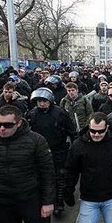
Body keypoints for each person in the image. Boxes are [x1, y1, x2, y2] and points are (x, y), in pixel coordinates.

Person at [27, 87, 77, 216]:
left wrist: (75, 147)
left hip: (59, 149)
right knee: (43, 177)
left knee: (60, 177)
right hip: (40, 152)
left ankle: (58, 202)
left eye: (44, 100)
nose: (42, 103)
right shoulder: (32, 115)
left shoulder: (60, 113)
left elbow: (71, 130)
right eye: (39, 101)